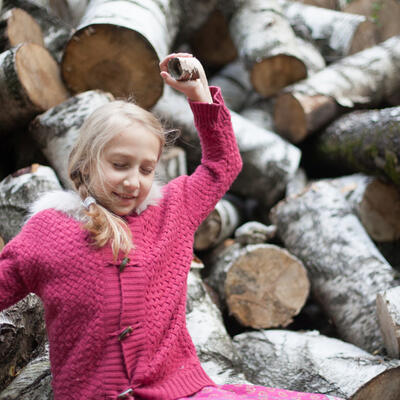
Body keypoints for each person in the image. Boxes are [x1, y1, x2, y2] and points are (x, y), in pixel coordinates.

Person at [0, 53, 343, 400]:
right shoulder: (48, 231)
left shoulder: (172, 210)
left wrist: (199, 95)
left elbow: (222, 164)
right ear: (86, 164)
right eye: (120, 164)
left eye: (146, 169)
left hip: (178, 394)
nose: (133, 181)